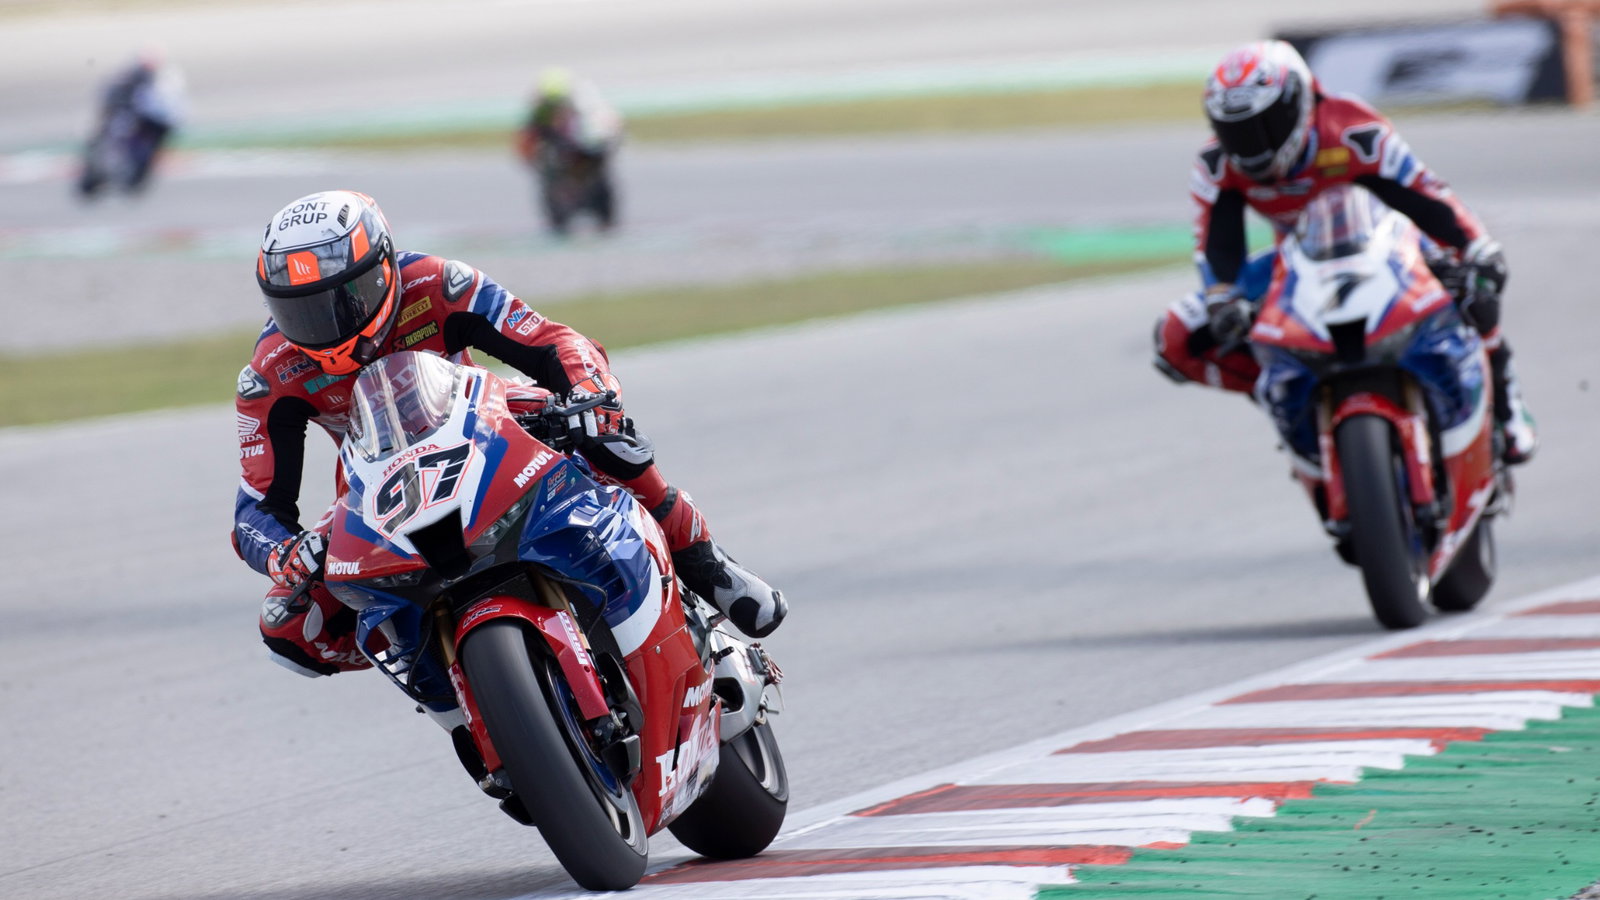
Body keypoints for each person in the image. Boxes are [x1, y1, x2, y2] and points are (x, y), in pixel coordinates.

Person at [231, 190, 786, 677]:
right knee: (286, 624)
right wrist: (287, 553)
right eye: (300, 311)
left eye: (340, 299)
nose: (324, 324)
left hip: (483, 421)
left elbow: (550, 341)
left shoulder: (435, 282)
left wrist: (593, 393)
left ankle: (704, 562)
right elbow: (254, 510)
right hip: (377, 480)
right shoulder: (271, 373)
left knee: (601, 433)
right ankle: (435, 675)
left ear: (382, 270)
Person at [1153, 39, 1537, 465]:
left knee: (1476, 290)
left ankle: (1505, 402)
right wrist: (1223, 298)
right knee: (1177, 337)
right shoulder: (1216, 164)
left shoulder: (1352, 128)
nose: (1249, 146)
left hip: (1393, 246)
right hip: (1296, 263)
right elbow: (1216, 245)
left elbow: (1424, 195)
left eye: (1265, 126)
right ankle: (1292, 395)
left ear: (1300, 103)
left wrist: (1476, 248)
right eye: (1234, 132)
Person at [515, 67, 622, 234]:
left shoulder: (589, 107)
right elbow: (526, 143)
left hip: (588, 160)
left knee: (603, 203)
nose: (555, 111)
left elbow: (610, 135)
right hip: (558, 171)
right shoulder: (539, 114)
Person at [79, 50, 186, 196]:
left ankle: (130, 173)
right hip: (126, 116)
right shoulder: (127, 78)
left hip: (148, 120)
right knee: (105, 133)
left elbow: (173, 103)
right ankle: (97, 167)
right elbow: (109, 97)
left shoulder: (166, 79)